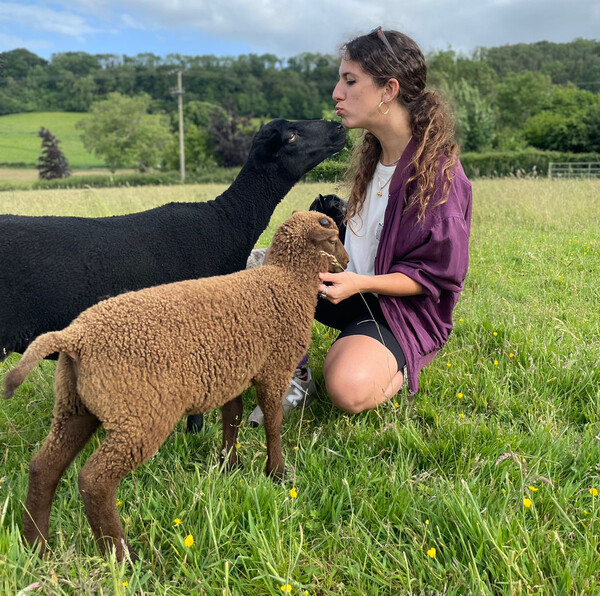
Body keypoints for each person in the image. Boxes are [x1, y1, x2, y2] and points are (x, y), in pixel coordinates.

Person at [248, 27, 472, 425]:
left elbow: (437, 278)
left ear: (389, 90)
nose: (337, 92)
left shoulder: (440, 177)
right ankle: (296, 372)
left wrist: (359, 284)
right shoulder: (375, 153)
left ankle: (395, 361)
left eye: (350, 81)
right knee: (249, 272)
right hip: (350, 288)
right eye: (340, 80)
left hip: (398, 310)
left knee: (347, 387)